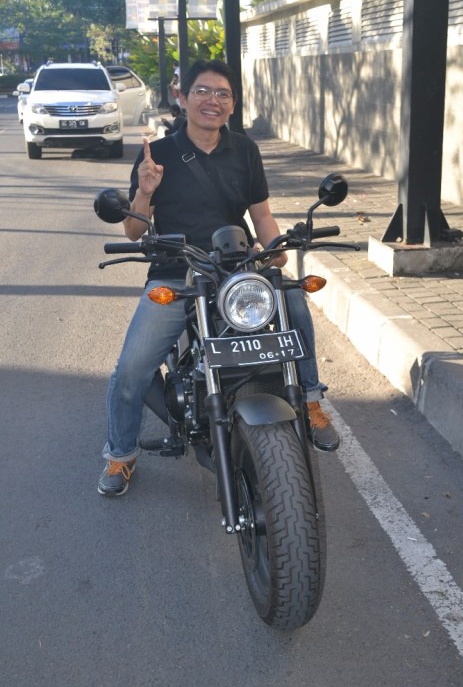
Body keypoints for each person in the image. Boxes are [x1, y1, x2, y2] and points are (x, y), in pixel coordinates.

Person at [98, 59, 339, 497]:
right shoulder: (158, 154)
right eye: (203, 91)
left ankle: (310, 398)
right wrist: (145, 192)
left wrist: (275, 250)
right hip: (177, 269)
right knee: (131, 369)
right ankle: (121, 453)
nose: (213, 100)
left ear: (232, 104)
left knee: (293, 299)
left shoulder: (245, 150)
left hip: (237, 265)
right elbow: (134, 230)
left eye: (223, 94)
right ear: (182, 98)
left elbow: (260, 214)